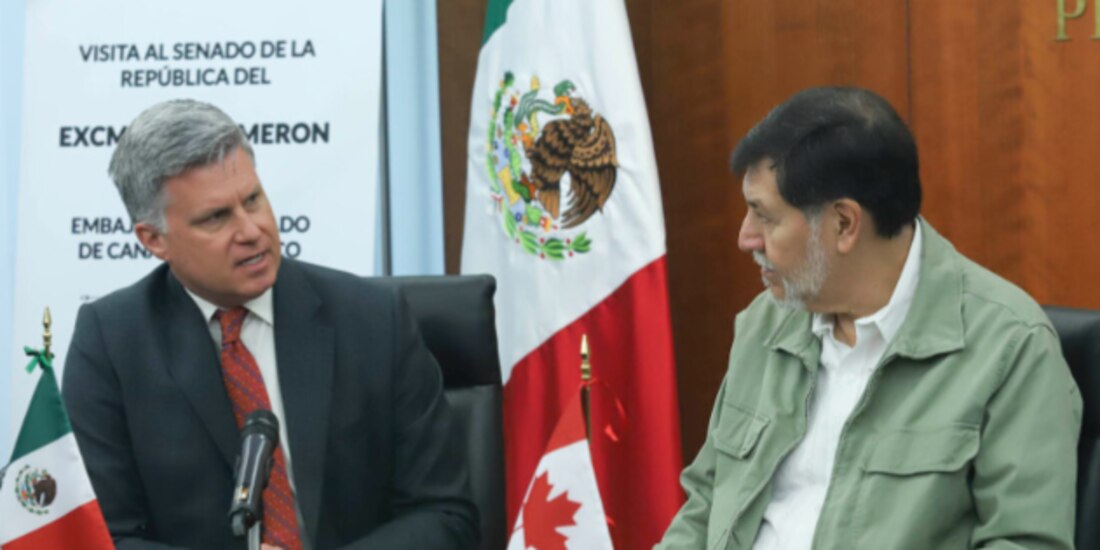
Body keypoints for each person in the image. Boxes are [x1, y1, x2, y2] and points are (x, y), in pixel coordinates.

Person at [657, 87, 1081, 549]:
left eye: (765, 216)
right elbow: (705, 505)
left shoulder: (1009, 346)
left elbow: (1024, 542)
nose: (746, 237)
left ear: (843, 224)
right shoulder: (765, 322)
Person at [62, 99, 478, 549]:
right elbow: (99, 538)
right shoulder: (110, 344)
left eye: (253, 200)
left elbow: (445, 515)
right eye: (215, 217)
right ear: (154, 239)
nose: (251, 230)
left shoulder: (374, 320)